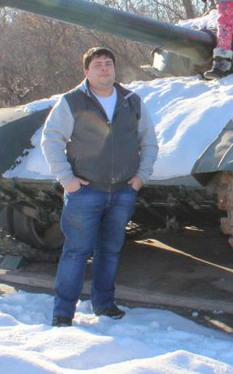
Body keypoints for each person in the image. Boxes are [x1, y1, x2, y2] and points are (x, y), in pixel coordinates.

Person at [41, 46, 158, 327]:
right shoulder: (72, 101)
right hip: (85, 190)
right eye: (98, 65)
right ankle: (63, 312)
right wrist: (67, 180)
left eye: (108, 64)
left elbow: (149, 141)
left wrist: (140, 177)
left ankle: (104, 304)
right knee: (77, 251)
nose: (104, 69)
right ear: (86, 72)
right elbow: (51, 139)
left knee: (110, 249)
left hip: (123, 190)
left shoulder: (131, 100)